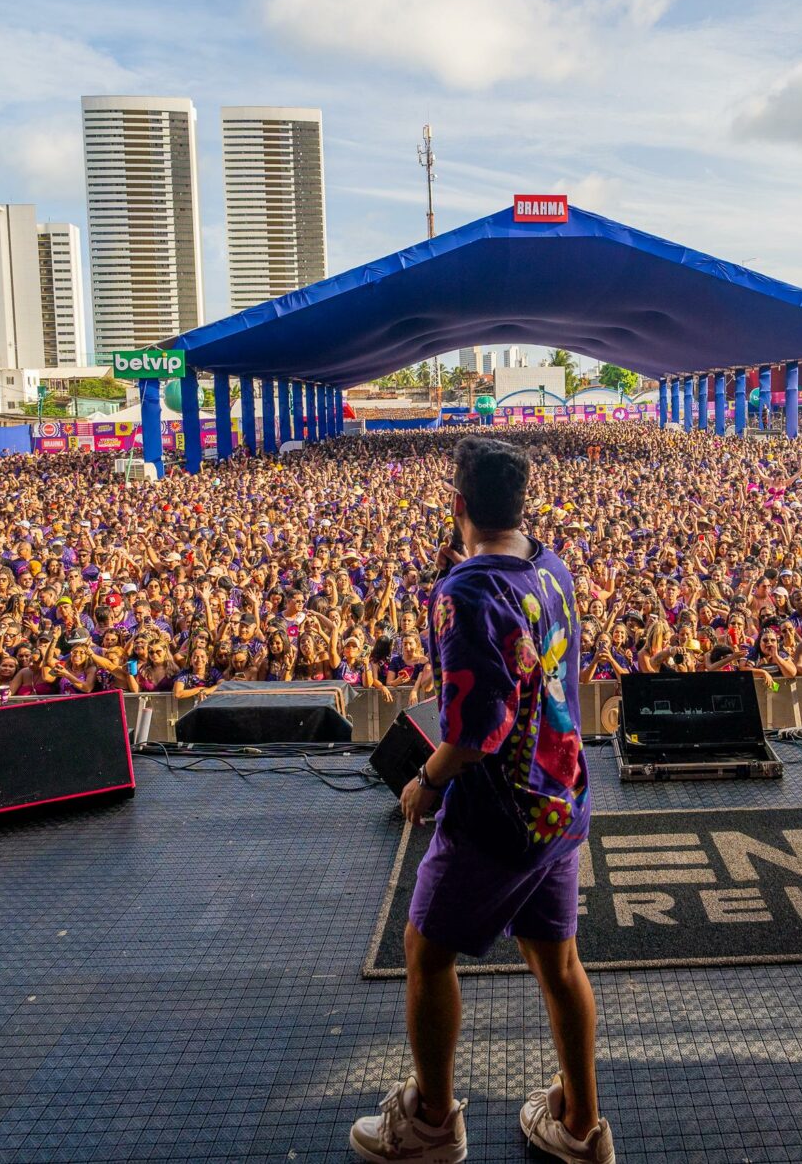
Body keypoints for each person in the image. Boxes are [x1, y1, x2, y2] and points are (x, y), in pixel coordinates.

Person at [351, 437, 612, 1164]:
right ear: (520, 502)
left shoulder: (465, 592)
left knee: (425, 951)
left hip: (501, 816)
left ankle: (432, 1123)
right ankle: (581, 1127)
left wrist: (427, 780)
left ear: (458, 504)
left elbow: (476, 730)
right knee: (558, 961)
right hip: (560, 801)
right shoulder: (550, 566)